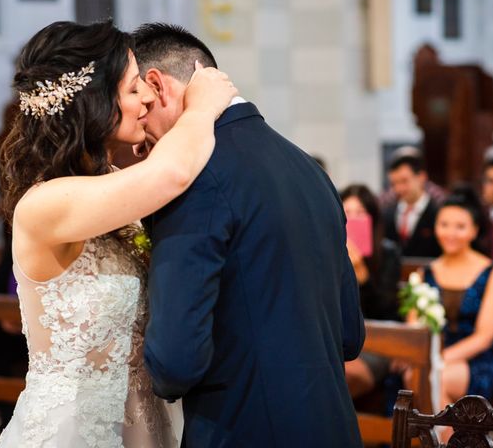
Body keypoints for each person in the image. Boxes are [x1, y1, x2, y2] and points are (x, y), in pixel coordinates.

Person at [0, 20, 237, 447]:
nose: (146, 95)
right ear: (94, 102)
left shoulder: (113, 183)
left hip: (146, 425)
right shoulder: (44, 205)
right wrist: (202, 107)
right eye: (132, 88)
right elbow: (174, 173)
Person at [133, 23, 365, 447]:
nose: (138, 130)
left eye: (138, 103)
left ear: (156, 85)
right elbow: (350, 335)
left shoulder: (193, 178)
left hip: (244, 430)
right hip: (335, 428)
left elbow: (175, 361)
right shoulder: (308, 169)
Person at [419, 187, 493, 440]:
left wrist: (439, 359)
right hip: (431, 354)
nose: (450, 233)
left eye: (460, 226)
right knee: (418, 375)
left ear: (474, 230)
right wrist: (429, 358)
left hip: (474, 358)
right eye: (444, 224)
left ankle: (445, 443)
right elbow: (414, 326)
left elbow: (484, 336)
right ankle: (461, 442)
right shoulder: (425, 271)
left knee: (437, 377)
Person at [340, 184, 402, 398]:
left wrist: (363, 276)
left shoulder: (388, 253)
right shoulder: (328, 249)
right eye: (347, 212)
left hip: (377, 343)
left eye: (360, 213)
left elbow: (386, 311)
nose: (352, 218)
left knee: (343, 375)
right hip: (338, 340)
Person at [383, 152, 442, 258]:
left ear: (421, 177)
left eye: (404, 181)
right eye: (394, 183)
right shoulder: (387, 213)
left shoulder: (438, 213)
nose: (399, 189)